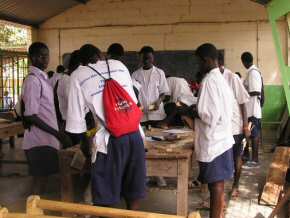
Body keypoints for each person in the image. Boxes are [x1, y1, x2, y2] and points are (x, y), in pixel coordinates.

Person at [65, 44, 146, 210]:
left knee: (105, 196)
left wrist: (87, 150)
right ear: (100, 56)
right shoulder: (119, 65)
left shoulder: (78, 75)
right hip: (136, 134)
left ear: (82, 62)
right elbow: (134, 99)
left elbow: (77, 123)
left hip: (109, 141)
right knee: (133, 190)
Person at [22, 42, 72, 194]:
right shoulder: (33, 80)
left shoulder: (43, 78)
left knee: (43, 180)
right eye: (40, 56)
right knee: (39, 181)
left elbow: (46, 110)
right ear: (32, 58)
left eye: (46, 56)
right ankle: (33, 212)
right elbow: (30, 115)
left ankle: (35, 210)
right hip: (38, 141)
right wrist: (57, 133)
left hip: (47, 140)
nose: (44, 59)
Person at [195, 43, 235, 218]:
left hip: (215, 142)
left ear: (207, 60)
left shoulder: (209, 80)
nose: (199, 66)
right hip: (222, 138)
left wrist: (191, 110)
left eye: (199, 62)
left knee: (216, 186)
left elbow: (209, 114)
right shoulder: (221, 79)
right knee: (217, 185)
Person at [218, 52, 250, 198]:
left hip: (235, 127)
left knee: (237, 158)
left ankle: (235, 186)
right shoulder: (211, 79)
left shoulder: (232, 77)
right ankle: (220, 194)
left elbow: (243, 102)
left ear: (218, 63)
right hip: (220, 129)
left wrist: (245, 126)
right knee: (221, 162)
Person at [132, 46, 170, 128]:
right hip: (142, 116)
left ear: (153, 58)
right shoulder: (135, 74)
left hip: (157, 115)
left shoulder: (159, 73)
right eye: (143, 58)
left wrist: (158, 101)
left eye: (148, 58)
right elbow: (133, 93)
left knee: (158, 137)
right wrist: (138, 105)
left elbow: (163, 92)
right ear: (140, 58)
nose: (146, 61)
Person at [241, 52, 263, 165]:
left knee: (254, 135)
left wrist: (243, 93)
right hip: (252, 109)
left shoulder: (253, 73)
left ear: (244, 62)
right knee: (252, 134)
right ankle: (250, 157)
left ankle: (255, 159)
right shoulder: (252, 72)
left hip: (253, 109)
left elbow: (256, 91)